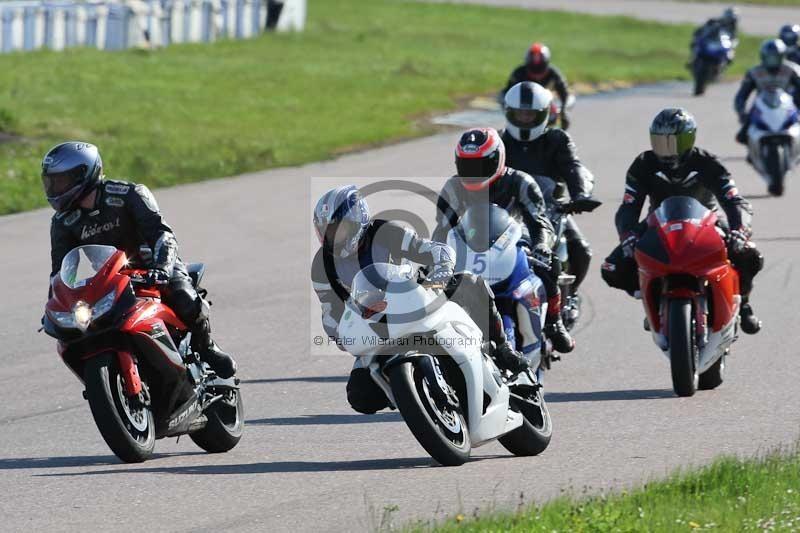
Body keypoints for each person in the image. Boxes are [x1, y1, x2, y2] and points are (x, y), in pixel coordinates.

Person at [311, 185, 530, 415]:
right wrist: (343, 335)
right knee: (359, 396)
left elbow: (433, 250)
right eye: (326, 232)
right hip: (373, 324)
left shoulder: (384, 232)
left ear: (358, 219)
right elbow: (330, 314)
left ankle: (504, 350)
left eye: (339, 230)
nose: (333, 238)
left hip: (414, 296)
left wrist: (438, 275)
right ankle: (410, 391)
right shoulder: (321, 266)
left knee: (469, 282)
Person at [43, 141, 237, 378]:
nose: (55, 188)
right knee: (87, 327)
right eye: (51, 182)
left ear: (83, 174)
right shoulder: (62, 222)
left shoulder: (130, 194)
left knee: (185, 298)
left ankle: (207, 349)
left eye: (61, 181)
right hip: (113, 277)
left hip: (155, 266)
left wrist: (163, 268)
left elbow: (162, 234)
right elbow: (62, 269)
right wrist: (58, 301)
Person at [600, 108, 763, 335]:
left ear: (689, 139)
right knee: (612, 268)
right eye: (660, 142)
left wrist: (739, 230)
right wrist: (627, 235)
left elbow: (734, 201)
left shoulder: (708, 163)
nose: (665, 150)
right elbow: (629, 206)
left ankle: (743, 302)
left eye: (673, 142)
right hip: (657, 222)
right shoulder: (643, 164)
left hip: (707, 222)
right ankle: (652, 301)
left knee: (751, 256)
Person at [432, 128, 575, 354]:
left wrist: (541, 246)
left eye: (481, 166)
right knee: (437, 287)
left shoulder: (521, 182)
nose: (474, 172)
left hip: (516, 239)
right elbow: (442, 228)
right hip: (472, 242)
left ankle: (554, 323)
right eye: (468, 166)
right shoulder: (453, 187)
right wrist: (436, 255)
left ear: (498, 159)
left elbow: (539, 222)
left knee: (550, 266)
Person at [500, 81, 598, 310]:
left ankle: (569, 297)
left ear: (543, 114)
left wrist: (580, 194)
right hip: (507, 212)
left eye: (530, 114)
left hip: (551, 209)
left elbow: (574, 168)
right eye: (520, 114)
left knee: (581, 251)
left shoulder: (557, 140)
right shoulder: (500, 142)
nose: (524, 119)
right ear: (509, 113)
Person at [734, 39, 800, 145]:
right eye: (769, 57)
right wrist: (741, 112)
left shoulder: (792, 70)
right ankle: (749, 141)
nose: (772, 61)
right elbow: (742, 95)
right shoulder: (754, 72)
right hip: (762, 105)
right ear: (763, 56)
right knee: (744, 132)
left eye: (775, 57)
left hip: (787, 104)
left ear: (782, 56)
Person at [501, 43, 571, 130]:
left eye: (539, 62)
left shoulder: (554, 73)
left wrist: (563, 111)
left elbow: (565, 92)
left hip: (544, 105)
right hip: (521, 105)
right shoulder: (518, 73)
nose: (536, 65)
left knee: (560, 120)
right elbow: (506, 93)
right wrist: (508, 108)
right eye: (533, 60)